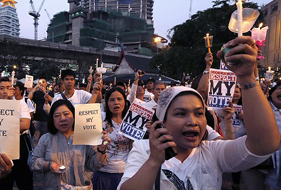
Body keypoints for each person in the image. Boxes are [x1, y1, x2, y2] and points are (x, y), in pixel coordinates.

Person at [118, 36, 280, 190]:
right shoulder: (144, 149)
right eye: (181, 114)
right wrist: (153, 161)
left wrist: (247, 78)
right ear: (163, 120)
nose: (192, 121)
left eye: (199, 113)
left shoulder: (213, 152)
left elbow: (265, 145)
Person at [29, 99, 110, 189]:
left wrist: (101, 150)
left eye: (66, 114)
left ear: (74, 116)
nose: (62, 119)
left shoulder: (86, 137)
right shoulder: (46, 139)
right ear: (52, 119)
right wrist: (48, 165)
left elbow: (95, 165)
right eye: (57, 116)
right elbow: (33, 162)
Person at [92, 87, 131, 190]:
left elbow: (133, 149)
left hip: (125, 174)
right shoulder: (101, 119)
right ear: (107, 103)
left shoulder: (131, 122)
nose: (116, 103)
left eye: (119, 99)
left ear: (125, 101)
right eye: (112, 100)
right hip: (102, 172)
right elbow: (85, 113)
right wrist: (95, 93)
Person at [28, 77, 49, 147]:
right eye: (40, 82)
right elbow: (28, 98)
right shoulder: (36, 93)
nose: (42, 84)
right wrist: (35, 88)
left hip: (46, 118)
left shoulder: (49, 92)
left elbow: (51, 100)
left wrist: (44, 92)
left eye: (43, 82)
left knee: (45, 136)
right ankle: (35, 151)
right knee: (36, 137)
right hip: (37, 118)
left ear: (46, 84)